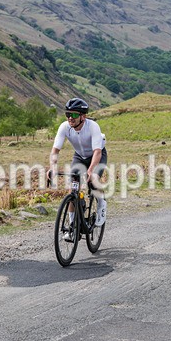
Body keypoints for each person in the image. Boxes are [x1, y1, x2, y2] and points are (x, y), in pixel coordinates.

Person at [48, 98, 107, 238]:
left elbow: (97, 152)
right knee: (72, 189)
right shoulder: (64, 127)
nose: (70, 118)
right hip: (79, 156)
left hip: (96, 155)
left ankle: (101, 204)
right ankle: (72, 228)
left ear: (83, 116)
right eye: (68, 114)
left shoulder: (92, 126)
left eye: (74, 115)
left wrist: (90, 170)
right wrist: (52, 168)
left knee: (93, 180)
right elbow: (55, 150)